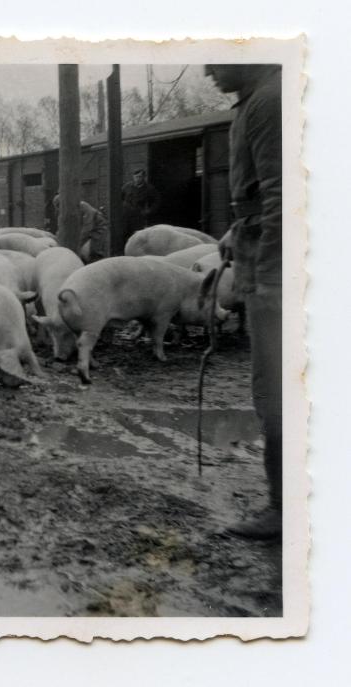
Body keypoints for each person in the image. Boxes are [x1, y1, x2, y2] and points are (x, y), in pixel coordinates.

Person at [206, 64, 283, 540]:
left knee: (276, 388)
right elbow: (260, 193)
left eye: (216, 56)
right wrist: (238, 229)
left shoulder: (269, 102)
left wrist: (272, 276)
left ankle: (285, 507)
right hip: (260, 252)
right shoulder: (260, 98)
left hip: (274, 268)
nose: (207, 70)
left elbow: (284, 195)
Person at [53, 194, 109, 263]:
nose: (59, 209)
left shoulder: (83, 206)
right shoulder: (69, 211)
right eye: (57, 206)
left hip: (99, 228)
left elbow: (88, 226)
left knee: (95, 251)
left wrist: (79, 241)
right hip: (88, 230)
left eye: (59, 205)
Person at [121, 168, 161, 239]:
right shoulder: (127, 186)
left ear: (144, 177)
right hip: (126, 215)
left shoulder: (149, 188)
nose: (137, 179)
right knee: (124, 233)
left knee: (137, 235)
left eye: (139, 177)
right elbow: (120, 197)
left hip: (138, 216)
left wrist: (149, 210)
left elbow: (157, 201)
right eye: (135, 177)